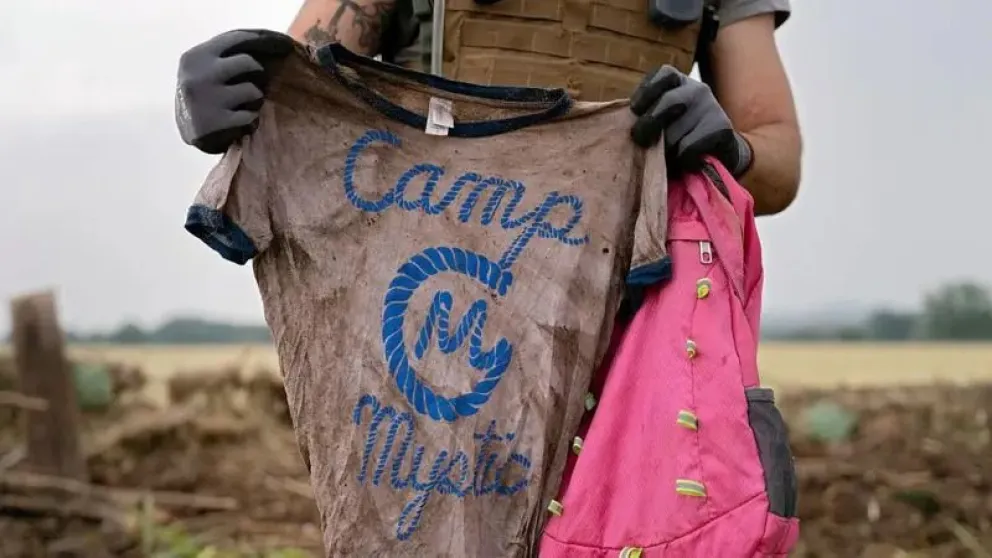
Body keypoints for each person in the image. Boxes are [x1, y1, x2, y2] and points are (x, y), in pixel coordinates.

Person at [175, 0, 800, 216]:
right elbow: (296, 90)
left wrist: (732, 152)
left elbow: (778, 162)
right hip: (441, 291)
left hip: (638, 313)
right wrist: (212, 100)